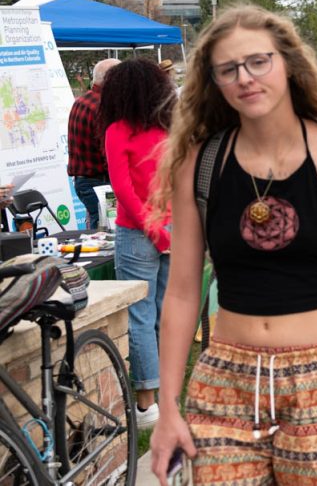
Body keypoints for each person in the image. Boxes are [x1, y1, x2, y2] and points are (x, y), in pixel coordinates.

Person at [149, 5, 317, 484]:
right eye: (228, 69)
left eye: (259, 61)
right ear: (214, 81)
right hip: (225, 383)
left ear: (288, 63)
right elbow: (181, 292)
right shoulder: (201, 164)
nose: (245, 78)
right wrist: (168, 408)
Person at [101, 58, 175, 427]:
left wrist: (152, 228)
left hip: (138, 232)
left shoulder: (117, 131)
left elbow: (123, 190)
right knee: (164, 314)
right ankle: (165, 394)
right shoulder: (169, 129)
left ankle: (146, 402)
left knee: (141, 318)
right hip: (172, 228)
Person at [68, 58, 119, 230]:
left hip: (86, 182)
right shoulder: (103, 107)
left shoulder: (81, 101)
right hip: (100, 183)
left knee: (99, 227)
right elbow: (108, 152)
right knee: (106, 232)